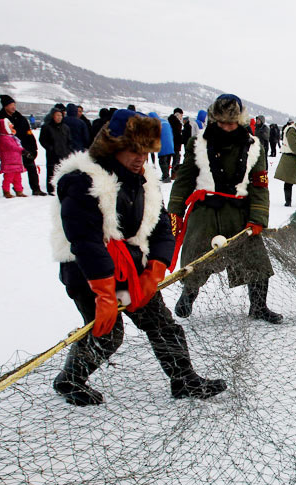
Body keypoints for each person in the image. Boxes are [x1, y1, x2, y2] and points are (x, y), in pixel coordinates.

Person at [50, 109, 226, 405]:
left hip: (133, 267)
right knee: (107, 333)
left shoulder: (145, 180)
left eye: (145, 151)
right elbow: (85, 242)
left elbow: (160, 229)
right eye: (132, 150)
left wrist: (155, 269)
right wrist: (105, 294)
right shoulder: (83, 181)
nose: (139, 158)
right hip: (88, 273)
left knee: (162, 324)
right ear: (113, 146)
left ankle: (183, 380)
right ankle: (70, 379)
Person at [168, 94, 281, 323]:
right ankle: (188, 295)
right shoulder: (197, 144)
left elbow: (259, 186)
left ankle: (258, 306)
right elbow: (184, 181)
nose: (227, 128)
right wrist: (175, 211)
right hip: (205, 214)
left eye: (232, 123)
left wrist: (258, 218)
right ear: (214, 120)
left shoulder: (253, 147)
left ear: (240, 121)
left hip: (240, 215)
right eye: (222, 123)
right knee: (195, 262)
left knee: (257, 262)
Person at [0, 94, 45, 195]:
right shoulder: (0, 119)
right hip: (10, 150)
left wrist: (33, 148)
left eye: (14, 104)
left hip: (25, 147)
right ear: (5, 106)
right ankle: (11, 190)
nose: (13, 107)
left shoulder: (21, 118)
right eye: (11, 104)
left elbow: (29, 133)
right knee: (12, 171)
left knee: (31, 167)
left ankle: (36, 189)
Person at [39, 105, 72, 194]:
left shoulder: (65, 127)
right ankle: (51, 189)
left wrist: (68, 149)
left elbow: (69, 140)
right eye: (57, 115)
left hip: (64, 152)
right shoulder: (46, 127)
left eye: (61, 115)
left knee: (64, 171)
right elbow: (42, 140)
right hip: (52, 153)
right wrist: (50, 148)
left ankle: (63, 188)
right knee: (51, 171)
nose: (59, 117)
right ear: (52, 116)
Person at [0, 118, 27, 197]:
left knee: (18, 177)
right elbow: (12, 147)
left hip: (16, 161)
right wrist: (22, 150)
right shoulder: (3, 138)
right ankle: (6, 191)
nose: (12, 126)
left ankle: (19, 191)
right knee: (8, 178)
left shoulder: (12, 137)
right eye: (9, 125)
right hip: (9, 162)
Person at [151, 112, 175, 183]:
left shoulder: (156, 124)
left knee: (162, 161)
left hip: (163, 144)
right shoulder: (165, 122)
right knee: (167, 160)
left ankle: (166, 177)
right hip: (170, 143)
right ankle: (165, 176)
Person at [167, 108, 184, 178]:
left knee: (168, 159)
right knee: (176, 159)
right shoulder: (177, 123)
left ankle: (166, 174)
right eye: (181, 115)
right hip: (176, 144)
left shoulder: (169, 121)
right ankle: (174, 175)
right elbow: (177, 135)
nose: (181, 117)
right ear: (178, 114)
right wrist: (182, 139)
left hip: (169, 143)